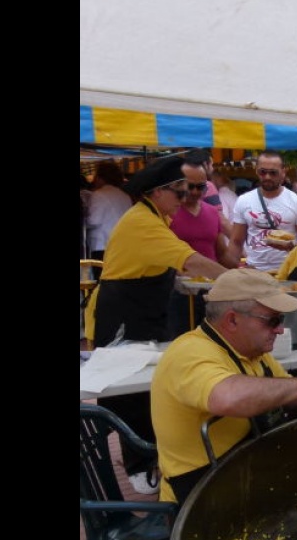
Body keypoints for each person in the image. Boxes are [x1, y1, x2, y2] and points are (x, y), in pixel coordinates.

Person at [85, 155, 232, 494]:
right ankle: (139, 469)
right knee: (129, 393)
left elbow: (169, 267)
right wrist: (245, 284)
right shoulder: (143, 222)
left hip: (144, 312)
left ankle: (147, 460)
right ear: (157, 192)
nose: (187, 199)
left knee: (150, 387)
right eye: (180, 193)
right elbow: (193, 260)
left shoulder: (156, 217)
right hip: (122, 316)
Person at [150, 269, 297, 503]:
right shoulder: (189, 353)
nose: (279, 329)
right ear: (232, 319)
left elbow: (286, 392)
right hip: (202, 490)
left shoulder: (254, 351)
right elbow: (228, 397)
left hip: (246, 465)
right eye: (273, 320)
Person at [166, 160, 238, 337]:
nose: (195, 192)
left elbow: (221, 254)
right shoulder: (167, 213)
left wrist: (244, 269)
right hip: (177, 293)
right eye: (191, 187)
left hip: (211, 292)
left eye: (201, 187)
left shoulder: (212, 212)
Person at [229, 150, 297, 272]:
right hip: (254, 271)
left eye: (273, 173)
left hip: (287, 271)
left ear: (283, 172)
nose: (267, 177)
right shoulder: (244, 201)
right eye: (263, 172)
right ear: (256, 171)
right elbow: (236, 241)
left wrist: (292, 246)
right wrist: (233, 270)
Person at [85, 160, 132, 273]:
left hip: (102, 245)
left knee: (101, 281)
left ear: (100, 178)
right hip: (123, 245)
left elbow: (93, 221)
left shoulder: (99, 194)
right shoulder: (125, 196)